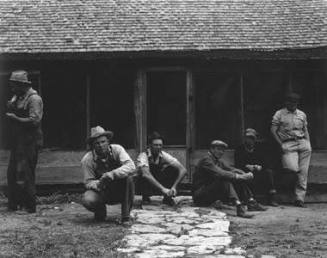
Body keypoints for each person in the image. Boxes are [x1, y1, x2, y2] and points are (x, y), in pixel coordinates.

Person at [192, 140, 267, 219]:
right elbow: (220, 173)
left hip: (209, 194)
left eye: (223, 150)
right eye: (219, 149)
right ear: (212, 149)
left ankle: (251, 202)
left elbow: (231, 169)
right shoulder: (206, 160)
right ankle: (239, 207)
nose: (221, 152)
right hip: (200, 197)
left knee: (236, 178)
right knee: (224, 179)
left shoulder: (218, 161)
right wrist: (239, 176)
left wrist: (243, 174)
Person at [6, 70, 43, 213]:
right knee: (13, 172)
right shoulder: (19, 96)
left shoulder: (34, 99)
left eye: (14, 85)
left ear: (22, 85)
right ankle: (16, 203)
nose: (12, 88)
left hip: (29, 141)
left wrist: (16, 118)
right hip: (19, 140)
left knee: (25, 173)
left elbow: (35, 121)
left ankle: (29, 206)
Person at [81, 126, 136, 224]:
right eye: (97, 143)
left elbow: (131, 166)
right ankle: (100, 211)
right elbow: (88, 182)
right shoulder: (87, 159)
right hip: (102, 191)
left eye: (103, 142)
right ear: (93, 145)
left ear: (108, 142)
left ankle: (126, 216)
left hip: (119, 188)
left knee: (129, 179)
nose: (101, 145)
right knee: (87, 199)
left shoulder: (117, 150)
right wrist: (100, 182)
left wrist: (113, 174)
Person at [271, 93, 311, 208]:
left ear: (297, 103)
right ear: (286, 102)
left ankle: (299, 199)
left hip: (303, 143)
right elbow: (273, 130)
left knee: (303, 173)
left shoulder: (302, 114)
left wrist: (308, 143)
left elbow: (305, 129)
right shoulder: (280, 113)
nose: (293, 104)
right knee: (292, 168)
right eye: (290, 102)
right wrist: (281, 145)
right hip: (288, 143)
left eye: (295, 102)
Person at [136, 132, 187, 206]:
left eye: (160, 145)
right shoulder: (143, 156)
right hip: (144, 184)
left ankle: (168, 197)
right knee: (144, 174)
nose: (158, 147)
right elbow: (146, 174)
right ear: (150, 146)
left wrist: (174, 187)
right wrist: (163, 189)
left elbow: (183, 170)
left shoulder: (163, 155)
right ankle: (146, 198)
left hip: (157, 180)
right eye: (155, 145)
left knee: (173, 169)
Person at [235, 128, 278, 206]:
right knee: (245, 175)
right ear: (245, 138)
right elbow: (237, 164)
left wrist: (259, 166)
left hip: (258, 171)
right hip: (245, 171)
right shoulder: (240, 149)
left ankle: (271, 198)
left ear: (255, 139)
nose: (250, 140)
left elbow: (266, 163)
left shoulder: (260, 149)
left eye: (252, 138)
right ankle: (250, 199)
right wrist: (247, 166)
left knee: (269, 172)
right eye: (248, 138)